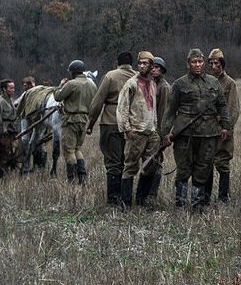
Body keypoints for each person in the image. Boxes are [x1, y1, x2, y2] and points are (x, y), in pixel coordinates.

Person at [163, 48, 232, 210]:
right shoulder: (179, 84)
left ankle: (198, 205)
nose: (197, 65)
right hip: (185, 134)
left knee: (203, 169)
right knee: (183, 169)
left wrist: (226, 127)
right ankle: (180, 204)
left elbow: (222, 106)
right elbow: (170, 110)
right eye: (194, 62)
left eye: (200, 61)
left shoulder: (213, 82)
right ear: (188, 64)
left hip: (208, 134)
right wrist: (165, 132)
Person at [87, 51, 135, 206]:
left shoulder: (110, 76)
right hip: (132, 124)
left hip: (111, 121)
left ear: (117, 63)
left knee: (113, 162)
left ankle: (113, 199)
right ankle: (126, 198)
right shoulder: (137, 77)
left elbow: (97, 102)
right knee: (127, 162)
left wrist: (91, 123)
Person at [117, 51, 161, 208]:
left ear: (151, 66)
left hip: (151, 132)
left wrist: (155, 128)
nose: (142, 66)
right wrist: (127, 130)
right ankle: (125, 204)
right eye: (140, 63)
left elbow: (153, 109)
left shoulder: (153, 84)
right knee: (130, 167)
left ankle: (142, 201)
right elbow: (122, 108)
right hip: (136, 132)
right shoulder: (131, 83)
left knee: (150, 166)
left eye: (145, 63)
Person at [53, 60, 97, 184]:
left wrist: (60, 85)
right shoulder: (92, 85)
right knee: (77, 148)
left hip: (70, 120)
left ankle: (71, 180)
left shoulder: (72, 84)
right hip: (84, 120)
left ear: (73, 72)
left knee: (69, 150)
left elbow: (57, 96)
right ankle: (82, 178)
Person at [207, 48, 240, 203]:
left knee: (222, 163)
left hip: (223, 130)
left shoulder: (229, 83)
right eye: (212, 63)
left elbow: (233, 108)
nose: (214, 66)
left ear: (222, 64)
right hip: (207, 130)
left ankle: (223, 197)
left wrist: (227, 127)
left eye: (217, 63)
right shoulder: (206, 81)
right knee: (206, 163)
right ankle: (205, 196)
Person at [140, 56, 172, 204]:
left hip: (157, 131)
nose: (153, 69)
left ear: (162, 70)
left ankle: (151, 196)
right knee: (147, 163)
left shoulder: (164, 87)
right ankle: (143, 195)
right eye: (152, 67)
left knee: (156, 163)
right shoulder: (148, 84)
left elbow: (164, 112)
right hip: (146, 130)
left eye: (157, 67)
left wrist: (161, 135)